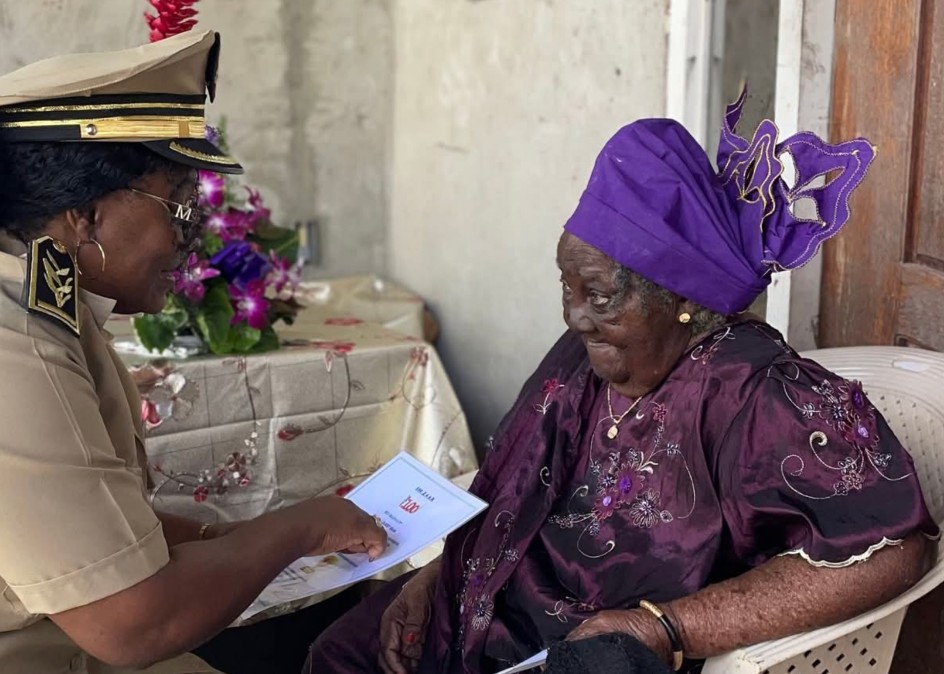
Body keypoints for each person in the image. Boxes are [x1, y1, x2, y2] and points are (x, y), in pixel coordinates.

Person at [0, 30, 386, 674]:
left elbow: (87, 520)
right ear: (85, 215)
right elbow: (133, 626)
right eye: (180, 209)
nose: (189, 241)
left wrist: (229, 538)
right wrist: (300, 529)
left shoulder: (33, 302)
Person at [306, 94, 940, 674]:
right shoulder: (585, 356)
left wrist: (666, 626)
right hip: (492, 608)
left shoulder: (754, 391)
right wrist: (440, 578)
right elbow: (518, 502)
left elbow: (892, 549)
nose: (575, 316)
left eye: (601, 295)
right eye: (567, 286)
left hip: (596, 652)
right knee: (339, 651)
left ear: (682, 301)